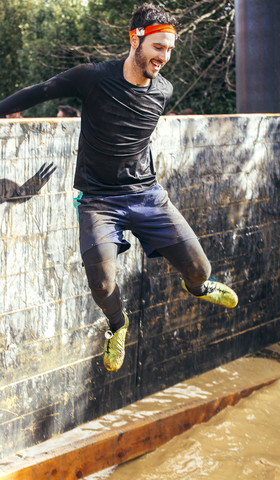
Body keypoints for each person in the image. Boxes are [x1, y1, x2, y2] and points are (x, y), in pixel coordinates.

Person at [0, 3, 238, 373]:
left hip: (147, 195)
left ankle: (198, 288)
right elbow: (41, 90)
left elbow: (136, 139)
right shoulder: (92, 77)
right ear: (135, 40)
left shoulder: (164, 90)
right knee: (101, 280)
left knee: (200, 269)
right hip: (98, 200)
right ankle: (117, 326)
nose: (165, 56)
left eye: (170, 49)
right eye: (158, 47)